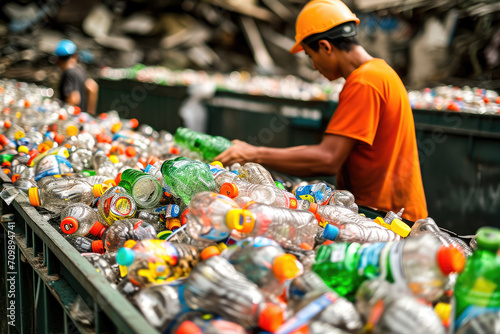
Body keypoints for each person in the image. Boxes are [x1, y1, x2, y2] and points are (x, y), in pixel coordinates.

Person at [215, 0, 428, 222]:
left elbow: (327, 158)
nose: (314, 66)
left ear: (326, 47)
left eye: (310, 55)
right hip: (390, 212)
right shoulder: (379, 72)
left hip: (389, 218)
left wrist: (253, 153)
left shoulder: (365, 82)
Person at [55, 39, 98, 115]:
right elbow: (93, 87)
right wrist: (89, 114)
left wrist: (63, 113)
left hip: (70, 120)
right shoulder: (80, 70)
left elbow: (74, 98)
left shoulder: (68, 73)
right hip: (79, 119)